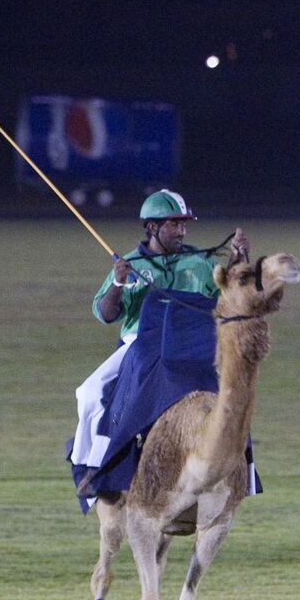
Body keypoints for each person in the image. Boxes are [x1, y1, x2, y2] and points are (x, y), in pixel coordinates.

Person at [69, 189, 248, 497]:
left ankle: (243, 469)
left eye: (183, 224)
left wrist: (238, 261)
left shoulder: (199, 262)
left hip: (188, 346)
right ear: (152, 227)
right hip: (138, 346)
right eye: (174, 224)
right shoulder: (131, 264)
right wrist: (117, 282)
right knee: (88, 393)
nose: (182, 230)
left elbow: (230, 300)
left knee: (236, 395)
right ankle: (93, 468)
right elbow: (105, 313)